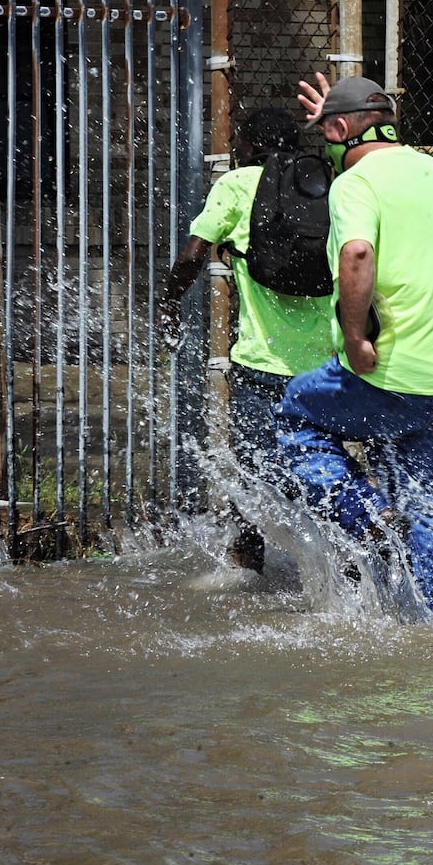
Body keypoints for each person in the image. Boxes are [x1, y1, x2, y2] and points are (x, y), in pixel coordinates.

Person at [275, 74, 433, 629]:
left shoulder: (356, 182)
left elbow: (359, 253)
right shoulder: (431, 169)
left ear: (342, 129)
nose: (323, 147)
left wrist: (353, 339)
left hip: (395, 370)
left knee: (297, 411)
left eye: (326, 135)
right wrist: (339, 112)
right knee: (424, 501)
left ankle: (367, 518)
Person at [161, 108, 337, 576]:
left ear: (249, 146)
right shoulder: (324, 185)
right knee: (321, 468)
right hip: (327, 366)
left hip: (261, 364)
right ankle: (341, 567)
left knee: (255, 476)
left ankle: (247, 572)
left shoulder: (236, 185)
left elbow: (193, 253)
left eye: (238, 141)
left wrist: (167, 301)